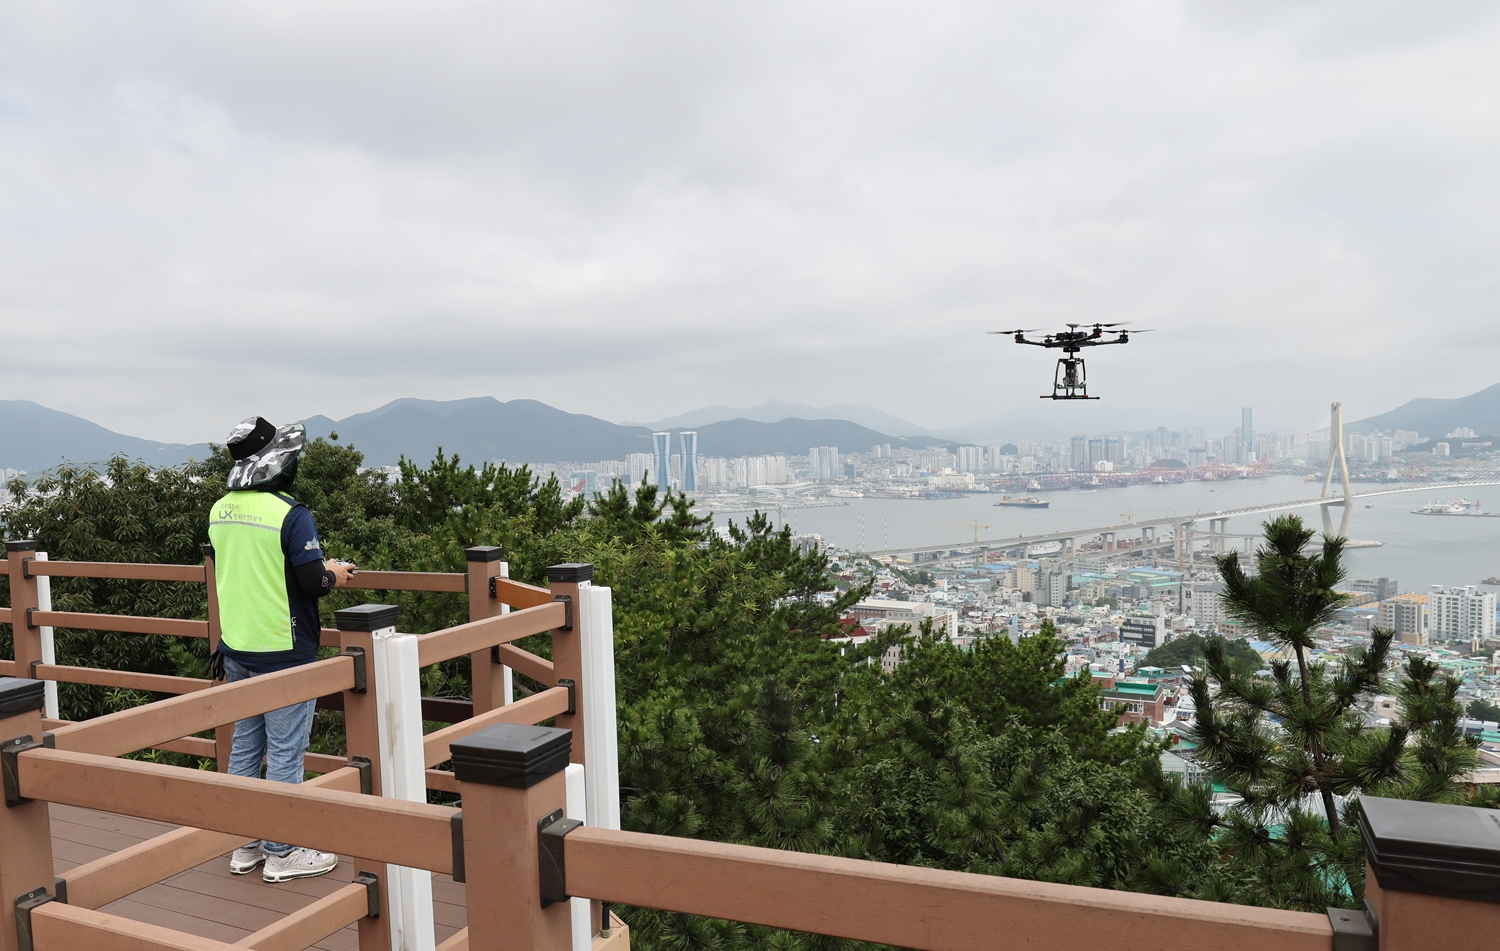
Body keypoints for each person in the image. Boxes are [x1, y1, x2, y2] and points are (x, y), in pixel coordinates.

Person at [207, 416, 355, 882]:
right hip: (284, 651)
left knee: (245, 750)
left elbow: (244, 574)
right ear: (278, 462)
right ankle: (283, 851)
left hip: (238, 649)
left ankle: (245, 845)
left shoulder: (219, 511)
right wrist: (335, 573)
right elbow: (313, 582)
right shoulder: (291, 514)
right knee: (288, 751)